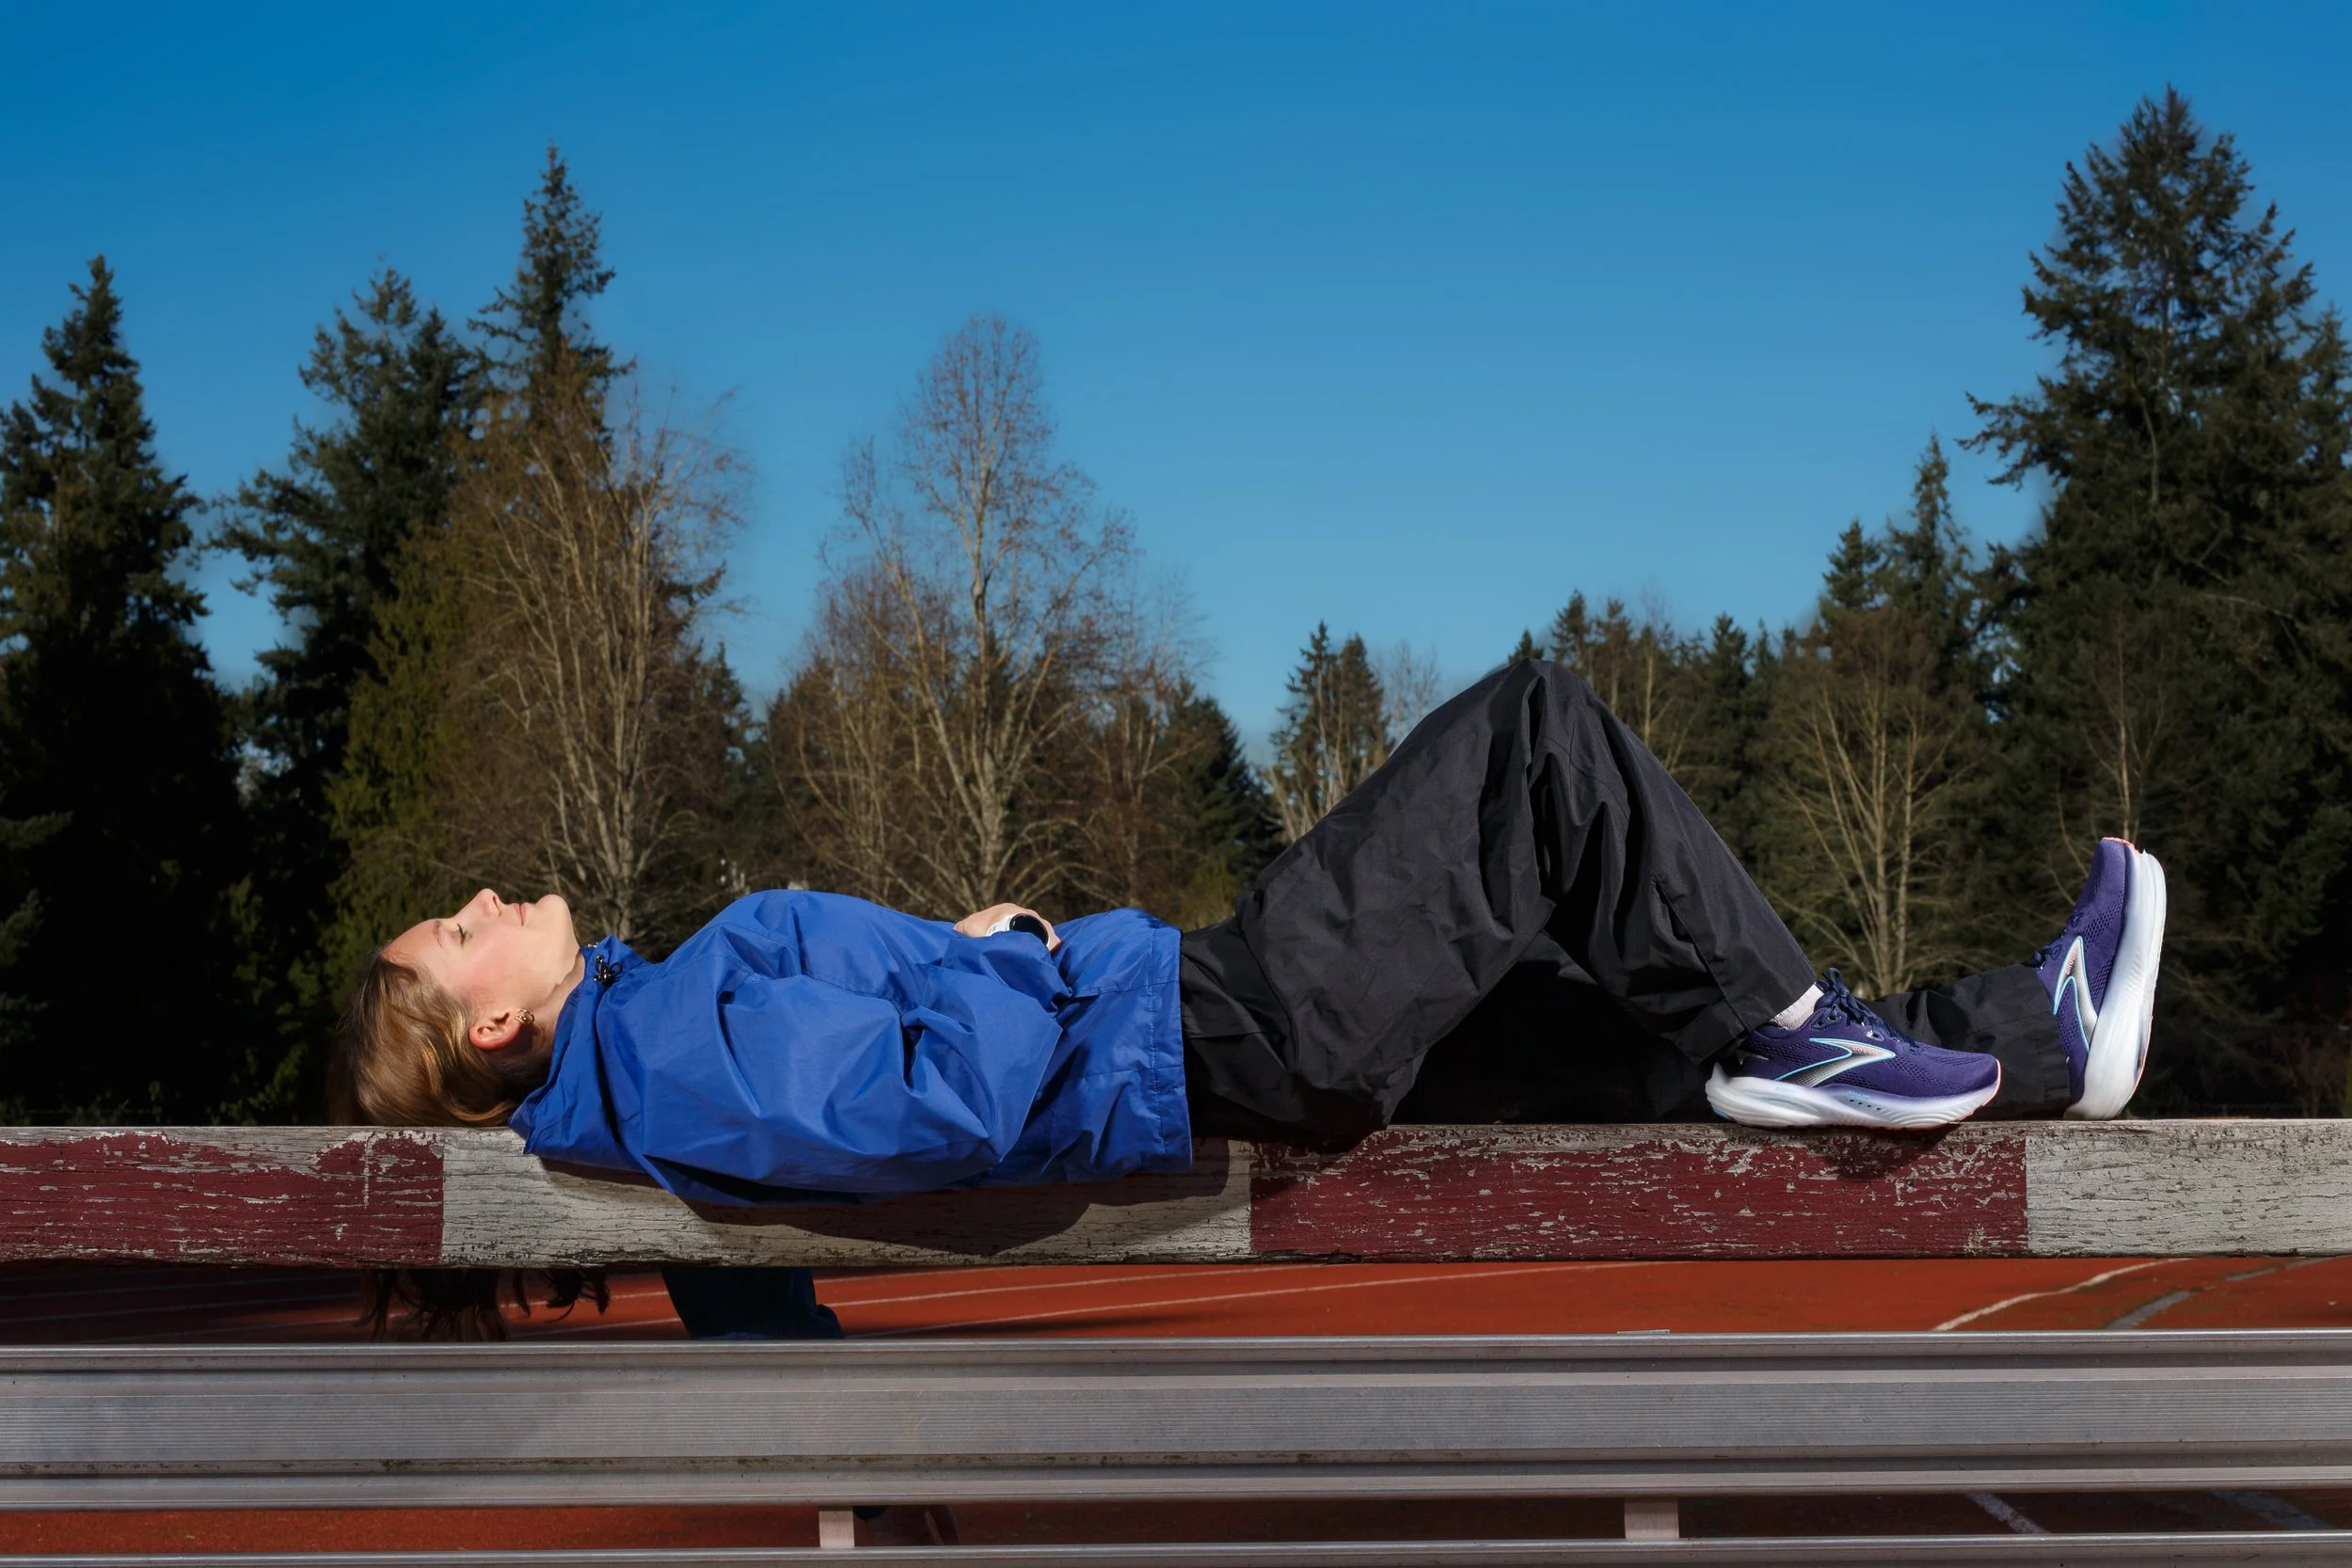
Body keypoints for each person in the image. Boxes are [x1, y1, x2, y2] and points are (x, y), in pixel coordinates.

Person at [331, 660, 2167, 1210]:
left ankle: (2036, 1030)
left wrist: (970, 950)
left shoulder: (656, 1037)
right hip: (1194, 1030)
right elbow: (936, 1109)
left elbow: (865, 1101)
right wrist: (1009, 945)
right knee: (1532, 740)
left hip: (1179, 1031)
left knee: (1611, 1014)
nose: (481, 901)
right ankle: (1801, 1023)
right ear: (493, 1030)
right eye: (454, 934)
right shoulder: (655, 1045)